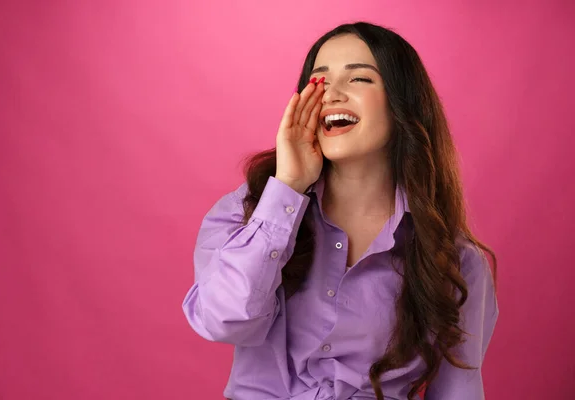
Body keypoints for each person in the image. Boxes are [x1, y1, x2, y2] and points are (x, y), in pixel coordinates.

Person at [182, 21, 498, 400]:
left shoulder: (457, 260)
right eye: (319, 81)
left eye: (358, 79)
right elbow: (223, 321)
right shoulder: (246, 211)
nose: (332, 94)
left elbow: (457, 390)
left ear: (403, 102)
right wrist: (287, 189)